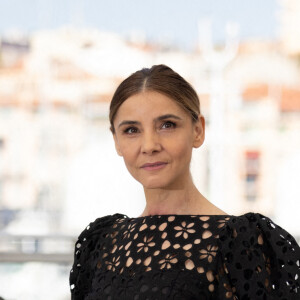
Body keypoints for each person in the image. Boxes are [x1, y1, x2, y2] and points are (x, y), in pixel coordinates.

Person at [69, 64, 300, 299]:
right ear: (116, 141)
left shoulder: (240, 241)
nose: (149, 146)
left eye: (167, 125)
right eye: (131, 130)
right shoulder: (101, 242)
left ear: (198, 130)